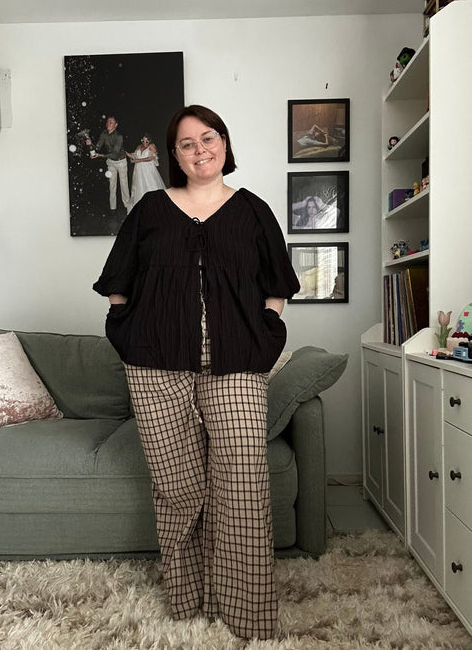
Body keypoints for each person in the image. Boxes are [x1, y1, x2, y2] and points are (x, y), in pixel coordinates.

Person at [93, 104, 300, 640]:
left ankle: (245, 612)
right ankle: (188, 600)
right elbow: (118, 279)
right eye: (187, 143)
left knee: (242, 487)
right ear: (174, 155)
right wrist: (124, 329)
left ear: (224, 145)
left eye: (209, 138)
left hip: (237, 364)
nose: (200, 149)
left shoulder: (252, 210)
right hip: (155, 364)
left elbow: (278, 282)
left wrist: (267, 331)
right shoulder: (150, 210)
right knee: (177, 486)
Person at [91, 116, 130, 211]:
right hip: (111, 162)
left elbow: (115, 154)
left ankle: (128, 206)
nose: (108, 124)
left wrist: (100, 155)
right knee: (112, 185)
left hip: (121, 162)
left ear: (116, 125)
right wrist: (90, 145)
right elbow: (98, 146)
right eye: (108, 122)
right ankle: (113, 208)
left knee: (124, 185)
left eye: (111, 122)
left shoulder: (119, 136)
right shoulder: (104, 134)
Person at [126, 133, 166, 213]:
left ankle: (153, 205)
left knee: (150, 185)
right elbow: (134, 156)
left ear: (149, 141)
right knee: (139, 185)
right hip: (138, 170)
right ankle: (141, 205)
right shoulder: (139, 146)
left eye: (146, 141)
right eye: (143, 141)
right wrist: (126, 153)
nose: (144, 142)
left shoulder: (152, 146)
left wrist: (138, 160)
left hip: (148, 169)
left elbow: (151, 158)